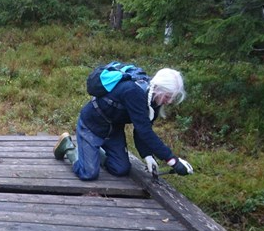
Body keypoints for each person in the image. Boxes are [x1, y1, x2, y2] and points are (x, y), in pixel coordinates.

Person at [53, 67, 194, 180]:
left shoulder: (153, 100)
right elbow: (144, 131)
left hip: (113, 130)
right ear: (159, 87)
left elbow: (141, 131)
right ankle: (68, 147)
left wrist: (147, 156)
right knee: (88, 173)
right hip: (92, 125)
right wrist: (172, 160)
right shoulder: (134, 92)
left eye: (172, 98)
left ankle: (93, 151)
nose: (169, 102)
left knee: (121, 169)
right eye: (168, 96)